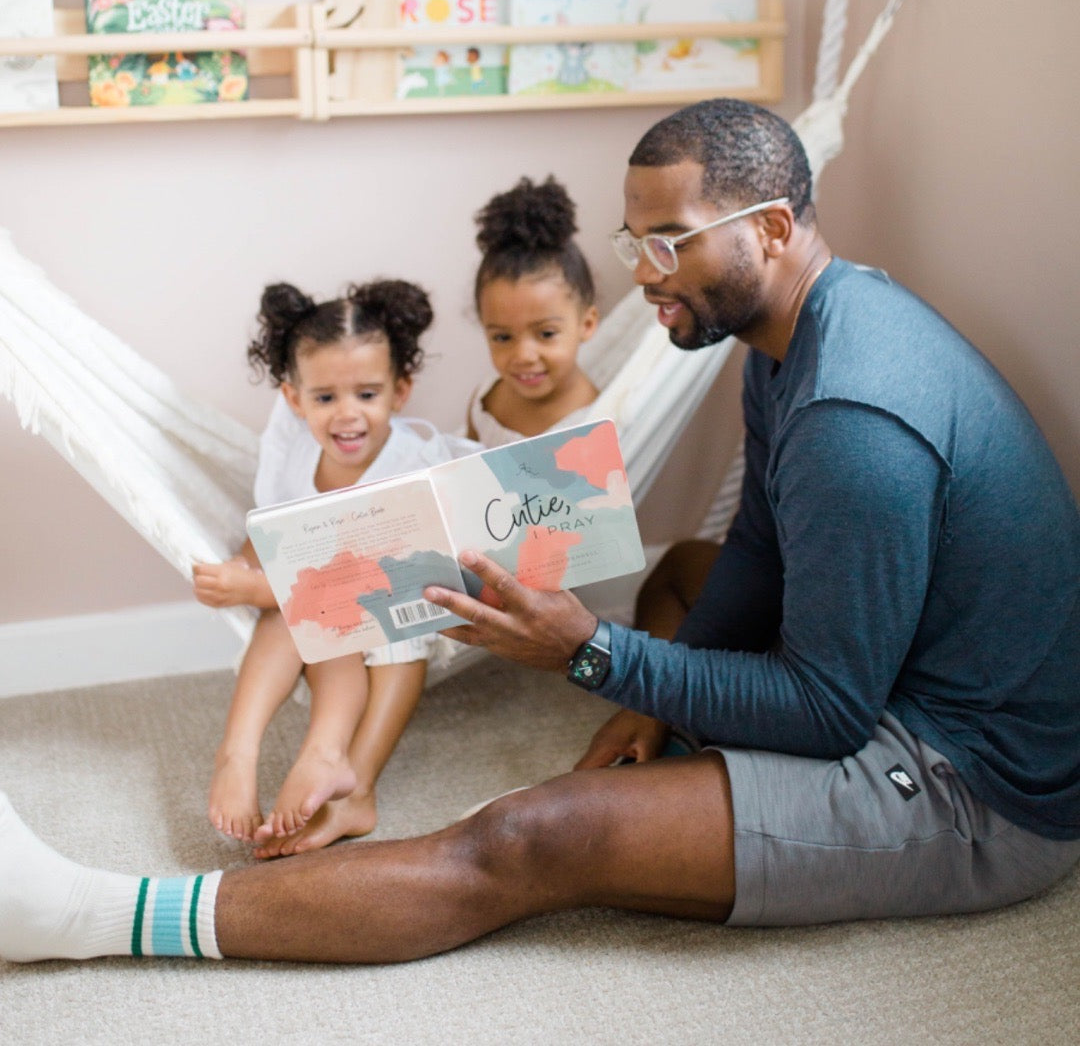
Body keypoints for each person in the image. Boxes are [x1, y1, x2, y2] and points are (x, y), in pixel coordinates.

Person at [2, 99, 1078, 966]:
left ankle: (98, 917)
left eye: (670, 243)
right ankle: (682, 754)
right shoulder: (794, 331)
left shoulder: (855, 417)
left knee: (534, 834)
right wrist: (658, 697)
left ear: (774, 230)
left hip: (970, 785)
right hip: (909, 670)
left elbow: (832, 711)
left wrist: (592, 654)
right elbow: (757, 547)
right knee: (692, 574)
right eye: (633, 238)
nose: (643, 274)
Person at [192, 278, 475, 857]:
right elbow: (274, 538)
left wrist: (264, 584)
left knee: (369, 630)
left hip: (410, 612)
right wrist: (243, 572)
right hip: (325, 618)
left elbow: (441, 548)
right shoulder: (291, 453)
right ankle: (240, 753)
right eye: (325, 399)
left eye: (367, 395)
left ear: (400, 391)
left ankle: (352, 778)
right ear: (294, 401)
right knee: (297, 615)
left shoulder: (418, 459)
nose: (348, 416)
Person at [466, 174, 600, 446]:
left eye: (546, 333)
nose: (524, 356)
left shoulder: (594, 425)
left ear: (586, 324)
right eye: (502, 337)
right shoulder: (485, 401)